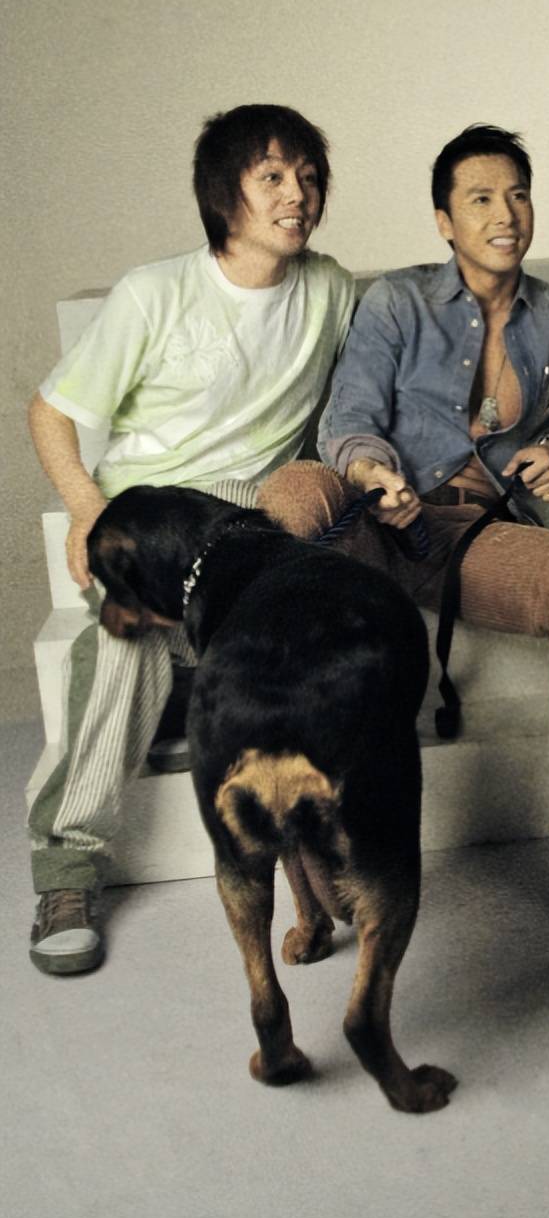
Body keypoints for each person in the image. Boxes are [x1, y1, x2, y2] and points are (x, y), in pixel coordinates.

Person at [259, 124, 549, 949]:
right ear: (444, 221)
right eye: (481, 198)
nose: (505, 213)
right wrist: (374, 474)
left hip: (468, 531)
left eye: (518, 194)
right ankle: (308, 818)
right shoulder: (396, 303)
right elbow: (347, 420)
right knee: (292, 494)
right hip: (368, 511)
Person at [27, 104, 354, 974]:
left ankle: (319, 839)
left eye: (309, 178)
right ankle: (68, 868)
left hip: (252, 517)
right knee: (125, 631)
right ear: (224, 194)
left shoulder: (330, 290)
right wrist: (87, 510)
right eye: (273, 177)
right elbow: (50, 412)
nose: (298, 196)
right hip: (151, 505)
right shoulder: (156, 291)